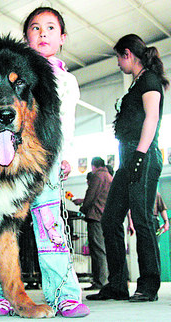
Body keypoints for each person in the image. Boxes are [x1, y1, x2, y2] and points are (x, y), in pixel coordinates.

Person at [0, 7, 89, 318]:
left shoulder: (67, 81)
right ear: (26, 36)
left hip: (48, 165)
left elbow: (66, 123)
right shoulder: (14, 75)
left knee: (51, 229)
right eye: (35, 27)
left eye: (51, 28)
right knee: (1, 228)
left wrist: (65, 155)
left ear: (62, 37)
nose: (43, 33)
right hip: (9, 163)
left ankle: (64, 295)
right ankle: (0, 294)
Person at [87, 34, 169, 303]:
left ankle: (148, 285)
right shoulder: (136, 83)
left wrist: (140, 155)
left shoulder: (149, 80)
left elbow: (153, 118)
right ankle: (117, 284)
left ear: (127, 54)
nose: (118, 64)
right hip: (127, 159)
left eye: (118, 58)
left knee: (143, 219)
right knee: (110, 220)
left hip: (142, 156)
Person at [73, 157, 112, 290]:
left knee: (97, 249)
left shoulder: (97, 176)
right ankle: (104, 279)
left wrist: (83, 209)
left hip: (96, 216)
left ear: (93, 166)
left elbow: (91, 195)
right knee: (103, 249)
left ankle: (100, 281)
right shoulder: (108, 176)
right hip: (106, 215)